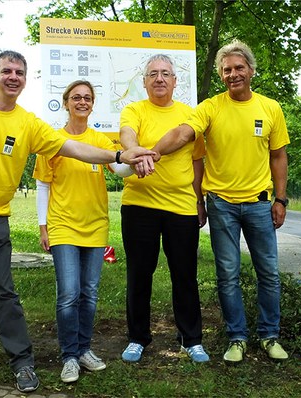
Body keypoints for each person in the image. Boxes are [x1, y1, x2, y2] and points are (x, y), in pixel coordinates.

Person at [0, 50, 153, 393]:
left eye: (19, 72)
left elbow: (74, 148)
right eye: (7, 71)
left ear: (25, 80)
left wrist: (119, 155)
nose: (13, 76)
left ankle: (22, 363)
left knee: (5, 294)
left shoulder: (28, 124)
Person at [151, 40, 290, 364]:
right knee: (227, 275)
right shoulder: (210, 107)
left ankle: (270, 336)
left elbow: (279, 157)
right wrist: (154, 152)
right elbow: (183, 133)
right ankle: (237, 339)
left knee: (268, 272)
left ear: (251, 70)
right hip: (221, 205)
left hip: (259, 204)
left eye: (239, 68)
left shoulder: (270, 108)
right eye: (226, 70)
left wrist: (280, 199)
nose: (233, 74)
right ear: (220, 74)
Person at [33, 80, 133, 383]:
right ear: (66, 103)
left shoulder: (101, 141)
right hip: (63, 226)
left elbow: (121, 169)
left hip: (95, 225)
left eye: (87, 98)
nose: (82, 102)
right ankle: (69, 357)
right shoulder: (53, 141)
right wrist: (43, 226)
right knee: (69, 295)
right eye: (76, 97)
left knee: (89, 295)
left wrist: (141, 155)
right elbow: (42, 185)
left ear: (92, 104)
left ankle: (84, 350)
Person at [119, 54, 209, 363]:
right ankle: (138, 338)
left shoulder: (189, 114)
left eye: (165, 74)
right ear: (144, 82)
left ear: (175, 81)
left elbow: (197, 161)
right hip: (139, 206)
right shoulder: (133, 110)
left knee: (185, 275)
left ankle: (191, 338)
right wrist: (135, 151)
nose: (159, 78)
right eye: (153, 74)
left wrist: (200, 200)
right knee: (139, 274)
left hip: (181, 207)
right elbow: (127, 135)